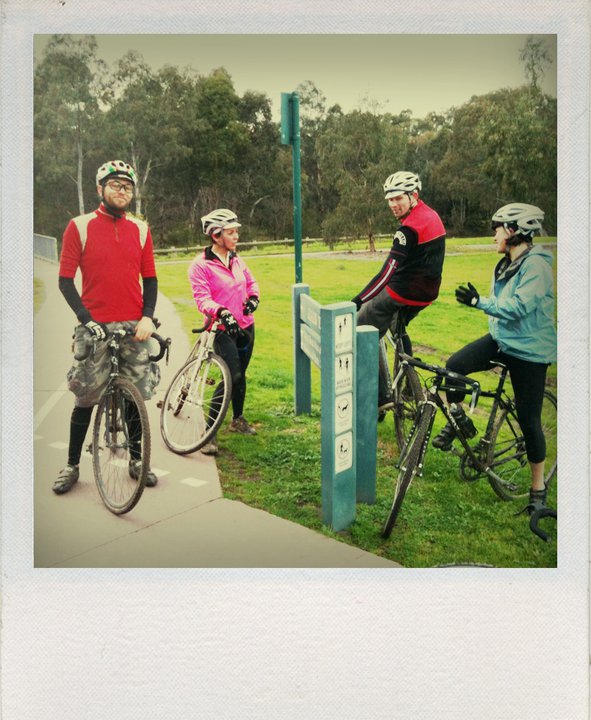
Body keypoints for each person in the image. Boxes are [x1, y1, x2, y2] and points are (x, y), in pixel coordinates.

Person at [431, 203, 557, 514]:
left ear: (513, 230)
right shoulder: (504, 265)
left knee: (529, 421)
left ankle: (537, 490)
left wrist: (479, 302)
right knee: (454, 367)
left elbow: (518, 307)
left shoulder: (536, 266)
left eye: (496, 229)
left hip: (529, 351)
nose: (494, 236)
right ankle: (459, 420)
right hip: (502, 342)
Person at [53, 159, 160, 494]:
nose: (122, 190)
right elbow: (65, 280)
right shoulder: (80, 226)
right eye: (115, 185)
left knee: (134, 396)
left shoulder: (140, 229)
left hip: (133, 324)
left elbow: (150, 278)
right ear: (100, 189)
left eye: (127, 186)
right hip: (95, 323)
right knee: (85, 396)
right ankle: (71, 465)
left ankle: (137, 460)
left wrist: (147, 316)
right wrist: (86, 319)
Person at [351, 171, 446, 411]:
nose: (393, 204)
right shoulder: (432, 215)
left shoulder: (407, 230)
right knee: (396, 326)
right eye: (390, 200)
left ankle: (381, 397)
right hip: (427, 293)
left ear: (414, 195)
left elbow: (386, 274)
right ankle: (410, 383)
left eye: (398, 198)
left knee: (361, 327)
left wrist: (358, 300)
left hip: (403, 291)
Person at [188, 208, 260, 455]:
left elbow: (251, 282)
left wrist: (254, 298)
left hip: (245, 325)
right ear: (216, 235)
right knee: (231, 375)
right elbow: (202, 299)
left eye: (236, 231)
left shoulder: (236, 259)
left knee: (241, 374)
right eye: (231, 232)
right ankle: (208, 434)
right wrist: (221, 311)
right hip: (220, 329)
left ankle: (237, 419)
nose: (236, 236)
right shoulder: (200, 265)